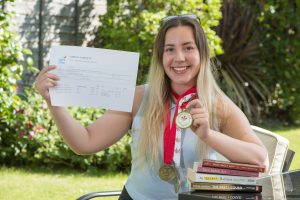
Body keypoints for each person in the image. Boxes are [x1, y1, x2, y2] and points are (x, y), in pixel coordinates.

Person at [34, 14, 269, 200]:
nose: (179, 57)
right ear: (160, 56)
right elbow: (85, 142)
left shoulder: (218, 105)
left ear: (202, 54)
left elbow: (261, 160)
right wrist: (55, 102)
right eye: (169, 49)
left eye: (188, 47)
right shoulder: (138, 98)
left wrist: (208, 134)